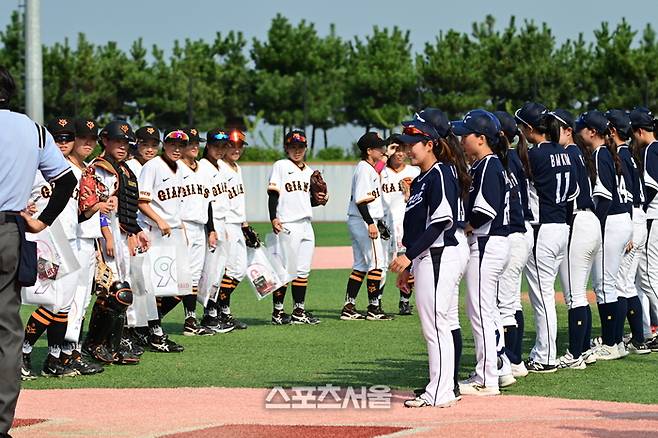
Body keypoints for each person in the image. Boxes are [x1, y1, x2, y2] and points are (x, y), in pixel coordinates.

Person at [0, 65, 77, 437]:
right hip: (9, 231)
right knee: (6, 332)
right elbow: (65, 180)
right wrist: (42, 221)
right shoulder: (32, 129)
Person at [390, 115, 469, 408]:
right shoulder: (424, 177)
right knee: (441, 323)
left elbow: (441, 223)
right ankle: (443, 388)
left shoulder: (439, 173)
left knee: (435, 325)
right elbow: (417, 225)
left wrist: (408, 256)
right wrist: (410, 263)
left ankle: (440, 390)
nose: (409, 149)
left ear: (430, 144)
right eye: (407, 144)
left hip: (439, 253)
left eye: (414, 144)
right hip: (430, 255)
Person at [515, 102, 578, 373]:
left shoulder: (534, 155)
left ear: (530, 128)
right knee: (545, 295)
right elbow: (573, 192)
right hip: (561, 226)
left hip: (543, 229)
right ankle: (544, 351)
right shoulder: (563, 152)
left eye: (521, 126)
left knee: (542, 297)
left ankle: (546, 355)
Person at [453, 109, 510, 396]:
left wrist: (464, 227)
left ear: (481, 138)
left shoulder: (489, 165)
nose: (462, 138)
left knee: (480, 311)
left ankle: (487, 378)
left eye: (467, 133)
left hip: (489, 242)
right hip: (492, 242)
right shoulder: (485, 164)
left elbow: (485, 211)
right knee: (482, 309)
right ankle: (490, 372)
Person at [84, 120, 150, 364]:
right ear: (105, 140)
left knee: (123, 293)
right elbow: (101, 204)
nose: (122, 146)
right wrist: (109, 237)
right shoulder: (100, 167)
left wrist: (135, 231)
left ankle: (113, 344)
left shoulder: (123, 168)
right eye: (117, 141)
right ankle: (94, 344)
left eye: (126, 142)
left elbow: (126, 208)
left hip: (121, 235)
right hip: (105, 235)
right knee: (113, 292)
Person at [21, 117, 82, 379]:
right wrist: (26, 209)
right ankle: (23, 352)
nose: (63, 143)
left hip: (71, 241)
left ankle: (54, 359)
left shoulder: (78, 172)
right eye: (57, 137)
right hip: (45, 241)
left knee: (65, 304)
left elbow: (83, 211)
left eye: (67, 138)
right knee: (48, 300)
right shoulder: (33, 169)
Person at [575, 110, 632, 361]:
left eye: (582, 128)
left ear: (593, 132)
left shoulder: (600, 154)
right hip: (623, 220)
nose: (579, 132)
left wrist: (596, 224)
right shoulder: (612, 153)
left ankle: (611, 343)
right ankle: (616, 342)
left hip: (611, 221)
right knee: (611, 285)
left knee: (605, 286)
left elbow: (605, 197)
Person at [552, 109, 601, 369]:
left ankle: (575, 354)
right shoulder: (577, 153)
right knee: (580, 293)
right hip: (589, 221)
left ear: (568, 131)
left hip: (579, 221)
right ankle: (585, 351)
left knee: (575, 295)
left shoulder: (568, 153)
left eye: (555, 128)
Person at [138, 129, 197, 343]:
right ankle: (153, 330)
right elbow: (142, 201)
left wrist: (181, 228)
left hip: (175, 231)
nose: (177, 148)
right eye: (173, 144)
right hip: (155, 231)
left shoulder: (180, 168)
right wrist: (160, 221)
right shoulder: (152, 166)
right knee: (155, 285)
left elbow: (176, 205)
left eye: (181, 145)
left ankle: (149, 324)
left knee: (183, 285)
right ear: (165, 145)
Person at [268, 130, 326, 325]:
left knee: (302, 270)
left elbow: (308, 201)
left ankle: (298, 311)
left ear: (305, 148)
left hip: (306, 224)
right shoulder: (281, 165)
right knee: (284, 270)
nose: (297, 150)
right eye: (292, 147)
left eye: (300, 147)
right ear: (286, 148)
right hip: (287, 223)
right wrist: (273, 218)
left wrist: (320, 200)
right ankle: (277, 312)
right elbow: (273, 194)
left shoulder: (309, 172)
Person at [606, 109, 651, 354]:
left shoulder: (620, 155)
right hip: (638, 218)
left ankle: (615, 342)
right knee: (628, 285)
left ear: (613, 130)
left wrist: (632, 231)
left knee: (621, 285)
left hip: (632, 218)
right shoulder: (630, 154)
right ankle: (638, 339)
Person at [492, 110, 533, 384]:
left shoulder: (501, 161)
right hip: (523, 232)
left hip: (514, 233)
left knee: (504, 304)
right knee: (511, 302)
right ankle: (515, 360)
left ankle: (508, 362)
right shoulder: (516, 158)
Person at [341, 132, 392, 321]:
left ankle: (349, 307)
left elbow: (377, 170)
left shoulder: (368, 167)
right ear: (369, 151)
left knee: (361, 265)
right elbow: (362, 201)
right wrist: (371, 223)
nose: (383, 150)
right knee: (377, 263)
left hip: (358, 220)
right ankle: (373, 308)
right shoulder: (363, 169)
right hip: (364, 219)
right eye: (380, 148)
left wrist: (386, 157)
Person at [124, 125, 163, 348]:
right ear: (135, 144)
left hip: (148, 231)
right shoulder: (129, 166)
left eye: (153, 144)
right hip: (133, 229)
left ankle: (145, 328)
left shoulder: (156, 166)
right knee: (137, 282)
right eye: (144, 144)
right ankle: (132, 331)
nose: (149, 148)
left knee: (151, 283)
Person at [176, 127, 215, 335]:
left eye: (195, 143)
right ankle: (149, 324)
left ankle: (190, 320)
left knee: (194, 276)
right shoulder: (176, 168)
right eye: (189, 143)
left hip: (200, 227)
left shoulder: (205, 169)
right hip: (181, 226)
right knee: (177, 276)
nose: (193, 146)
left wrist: (211, 229)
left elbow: (208, 203)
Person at [198, 129, 235, 334]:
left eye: (223, 146)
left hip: (223, 222)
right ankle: (208, 314)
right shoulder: (203, 167)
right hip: (211, 224)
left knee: (219, 270)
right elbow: (207, 202)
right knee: (210, 271)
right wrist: (211, 229)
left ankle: (212, 312)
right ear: (208, 146)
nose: (220, 150)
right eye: (216, 146)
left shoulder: (220, 166)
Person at [215, 129, 251, 329]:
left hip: (237, 224)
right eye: (232, 145)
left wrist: (245, 226)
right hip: (226, 223)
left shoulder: (237, 167)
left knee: (239, 270)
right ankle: (219, 311)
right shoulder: (219, 166)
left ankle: (222, 309)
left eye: (240, 146)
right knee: (227, 269)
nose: (236, 149)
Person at [380, 133, 419, 315]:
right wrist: (384, 156)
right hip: (384, 225)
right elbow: (373, 171)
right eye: (395, 148)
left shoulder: (414, 172)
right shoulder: (381, 172)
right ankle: (376, 302)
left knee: (407, 263)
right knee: (381, 264)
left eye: (402, 148)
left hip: (407, 224)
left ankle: (404, 302)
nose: (399, 153)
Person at [630, 107, 658, 351]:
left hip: (654, 217)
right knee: (644, 277)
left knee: (648, 277)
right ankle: (645, 329)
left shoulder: (651, 150)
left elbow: (650, 188)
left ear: (640, 131)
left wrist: (638, 210)